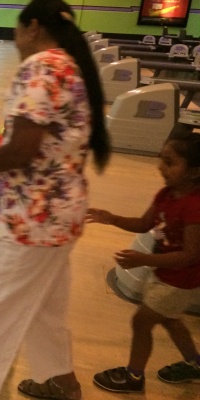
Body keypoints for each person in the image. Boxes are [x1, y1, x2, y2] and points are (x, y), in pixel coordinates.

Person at [0, 0, 110, 400]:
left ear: (33, 28)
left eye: (17, 29)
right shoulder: (70, 67)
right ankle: (62, 383)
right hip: (61, 214)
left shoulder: (41, 66)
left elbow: (21, 150)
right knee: (44, 304)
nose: (16, 38)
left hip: (34, 218)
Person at [88, 132, 200, 394]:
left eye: (170, 162)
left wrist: (143, 259)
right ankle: (196, 364)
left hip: (180, 281)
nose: (161, 167)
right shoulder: (166, 194)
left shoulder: (194, 207)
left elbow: (190, 255)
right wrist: (112, 218)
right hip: (164, 274)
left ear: (195, 172)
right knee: (170, 321)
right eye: (161, 159)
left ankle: (134, 377)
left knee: (142, 322)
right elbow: (144, 224)